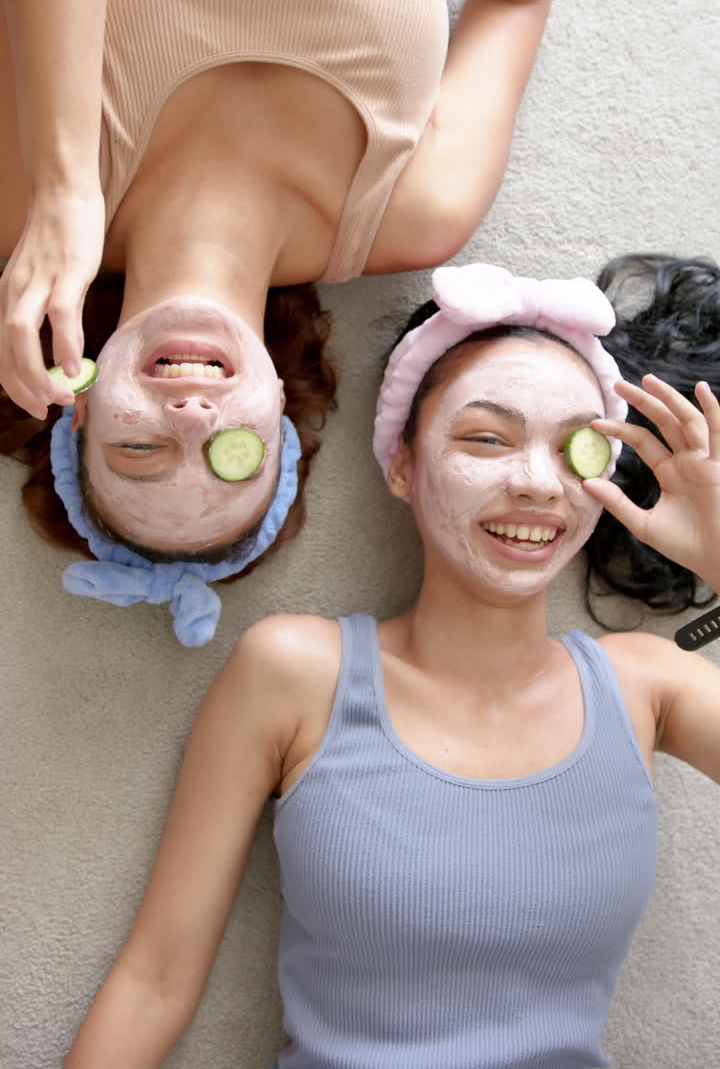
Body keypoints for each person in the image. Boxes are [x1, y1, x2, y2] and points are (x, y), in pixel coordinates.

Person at [62, 258, 720, 1068]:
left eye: (577, 450)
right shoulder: (296, 671)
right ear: (403, 465)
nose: (537, 485)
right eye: (486, 437)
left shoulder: (650, 684)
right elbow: (156, 981)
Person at [0, 0, 556, 642]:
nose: (189, 422)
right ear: (280, 419)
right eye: (233, 457)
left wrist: (66, 182)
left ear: (79, 404)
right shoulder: (414, 218)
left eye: (138, 452)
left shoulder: (31, 203)